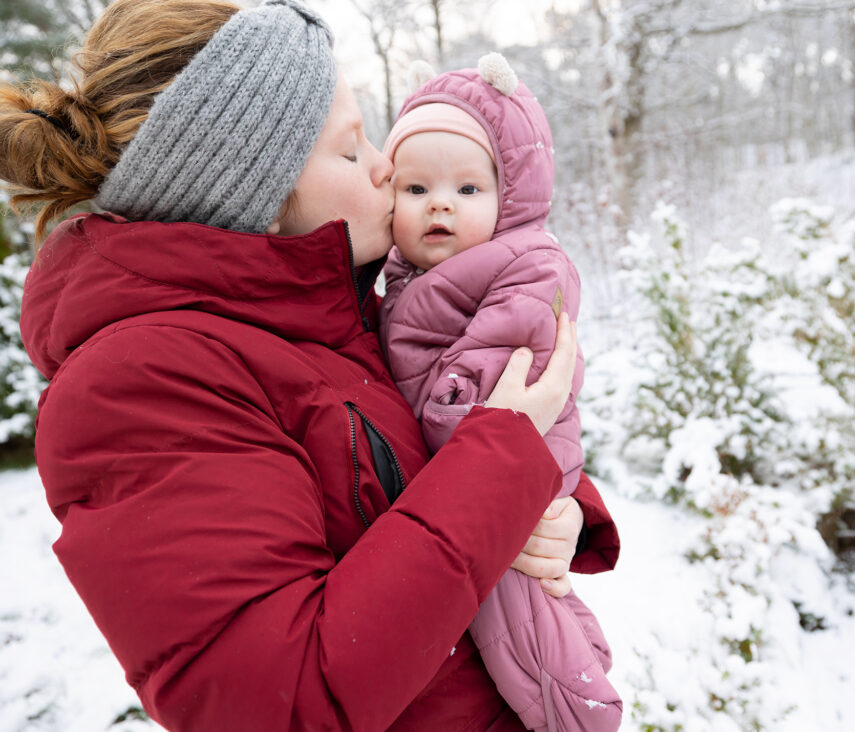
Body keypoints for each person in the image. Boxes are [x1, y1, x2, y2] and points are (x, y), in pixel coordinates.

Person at [0, 1, 619, 729]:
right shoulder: (140, 384)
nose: (389, 166)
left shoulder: (324, 316)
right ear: (256, 196)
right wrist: (500, 463)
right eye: (353, 150)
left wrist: (555, 511)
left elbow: (410, 460)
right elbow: (276, 700)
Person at [378, 55, 622, 731]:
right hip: (471, 487)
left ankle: (579, 708)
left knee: (524, 611)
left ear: (510, 195)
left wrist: (439, 422)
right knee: (510, 614)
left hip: (512, 477)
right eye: (416, 187)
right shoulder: (394, 280)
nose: (440, 204)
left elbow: (505, 378)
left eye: (467, 189)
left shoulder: (530, 264)